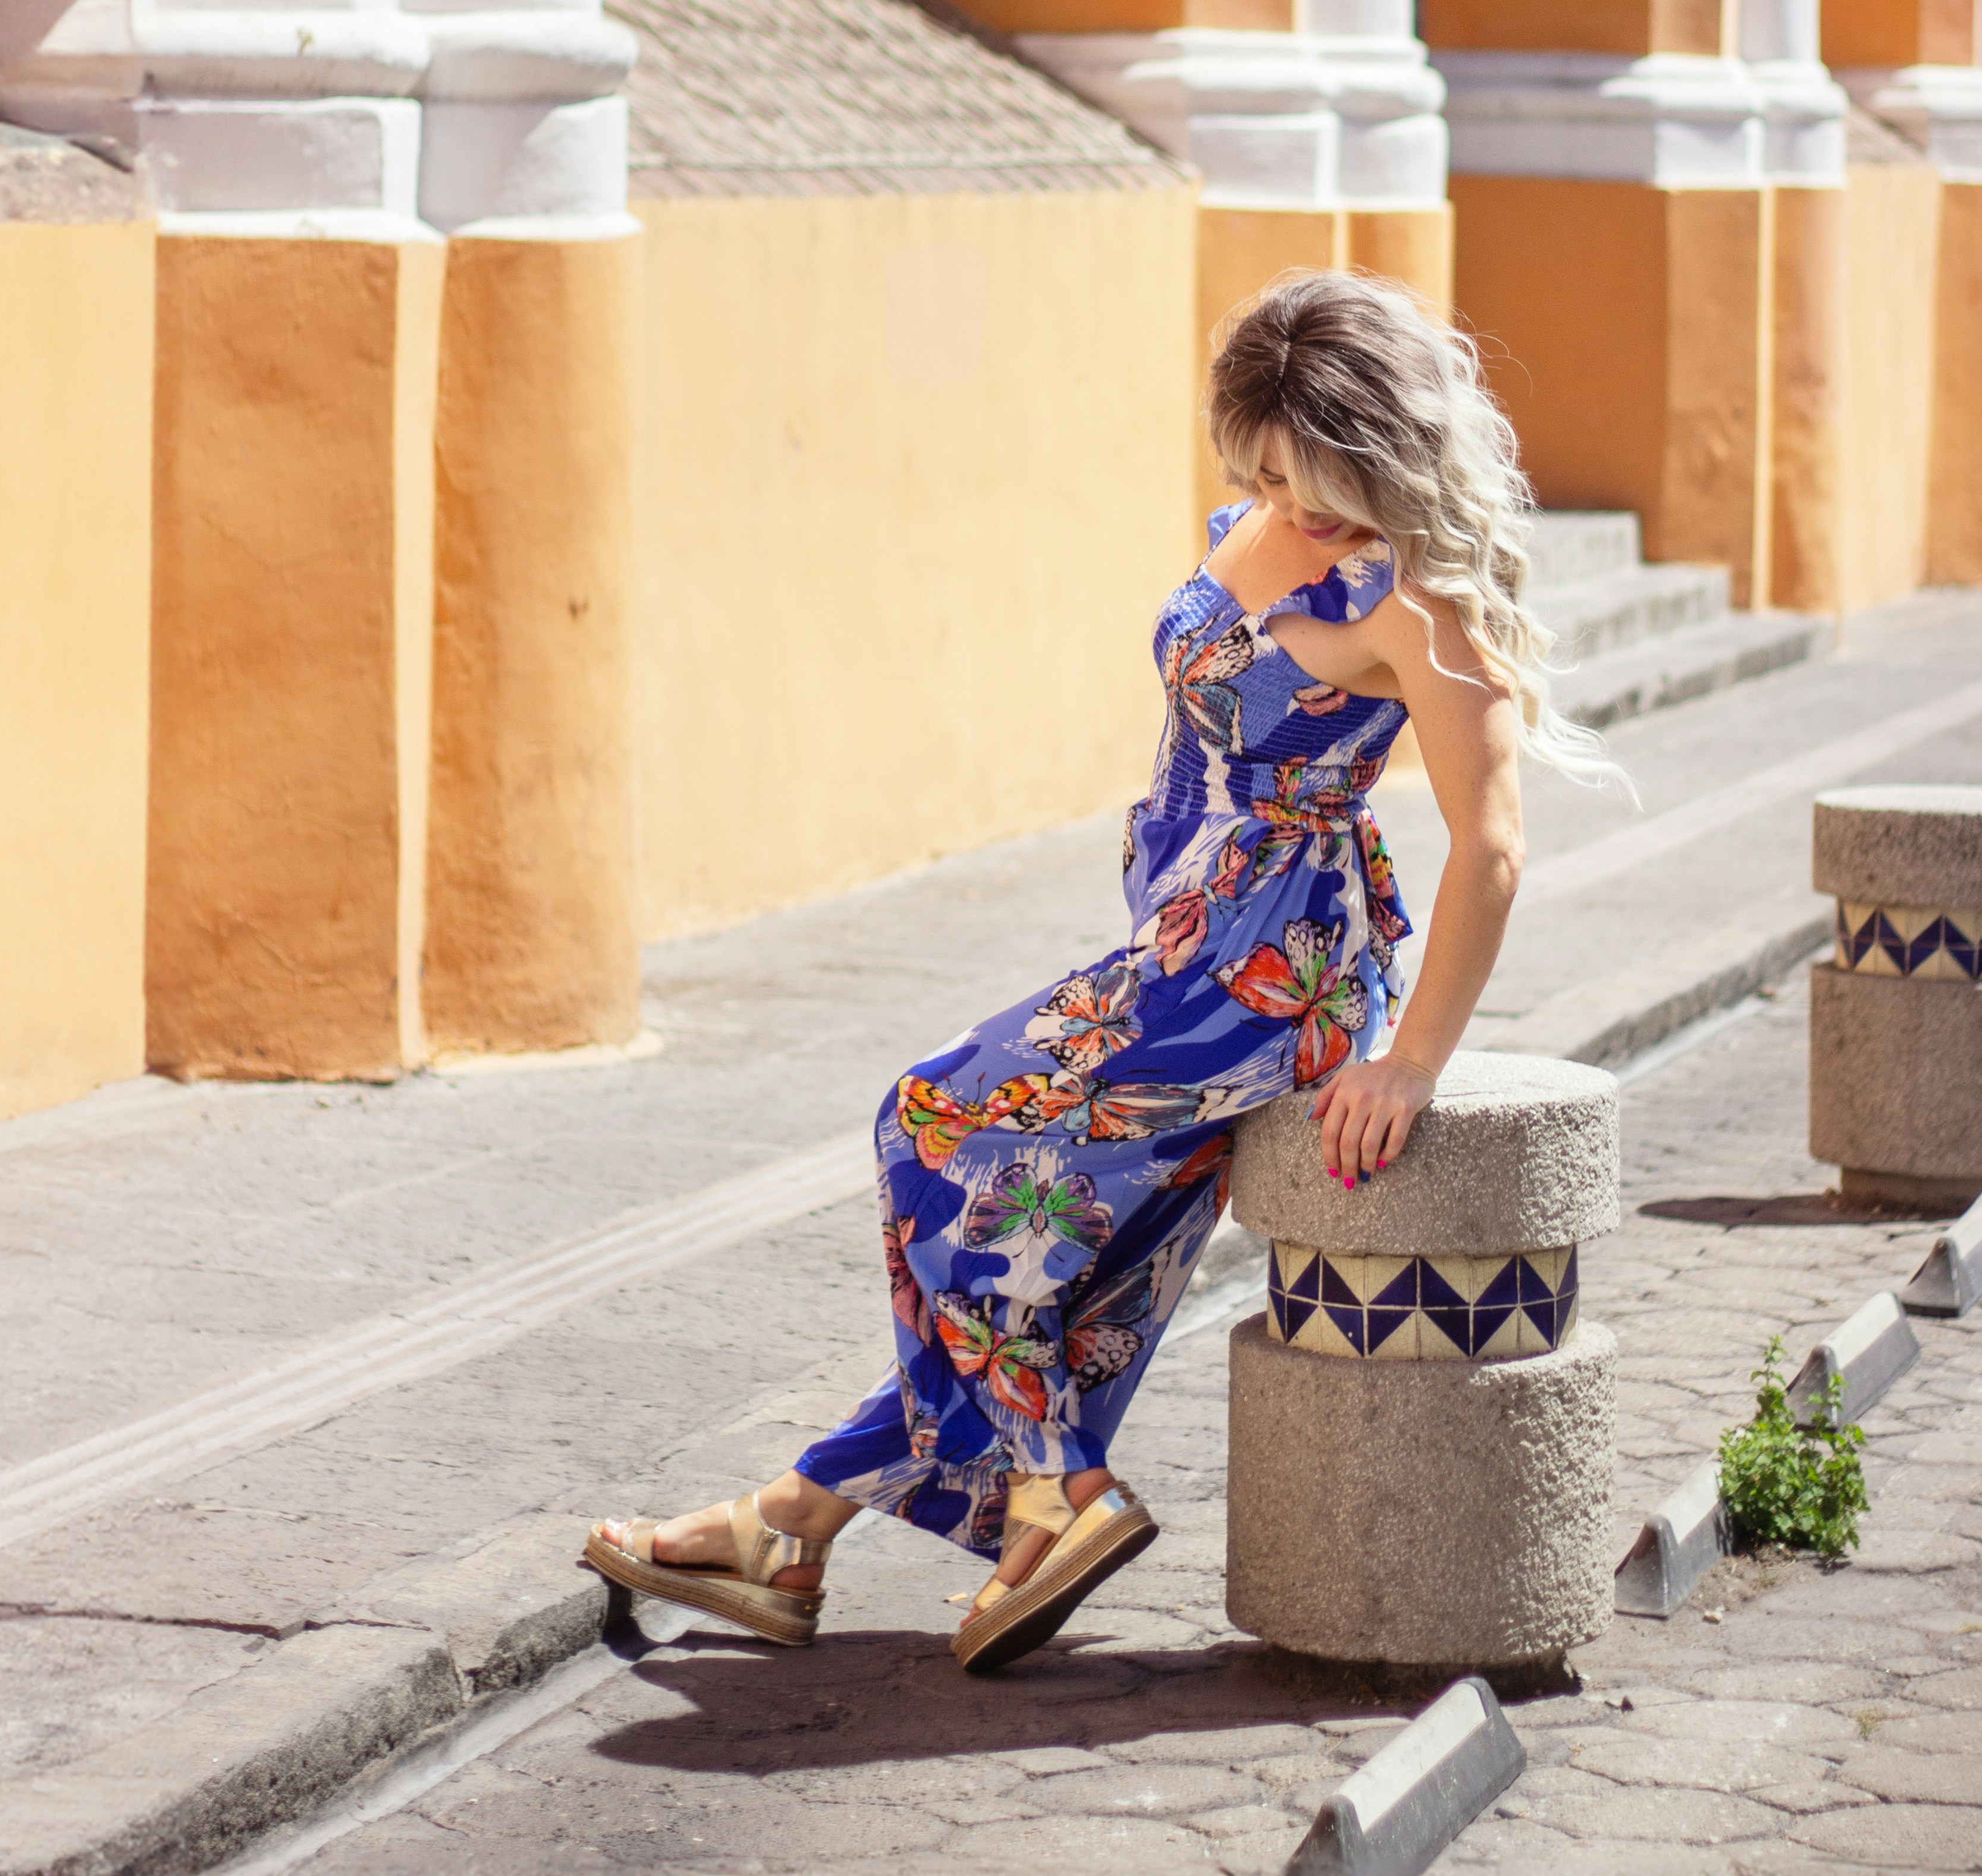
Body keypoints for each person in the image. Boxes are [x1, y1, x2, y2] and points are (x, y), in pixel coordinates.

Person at [584, 266, 1613, 1678]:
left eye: (1314, 480)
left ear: (1386, 453)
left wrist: (1410, 1055)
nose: (1283, 502)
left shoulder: (1423, 607)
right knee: (1060, 1257)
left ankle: (1059, 1490)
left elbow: (1488, 850)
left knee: (929, 1123)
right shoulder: (1267, 507)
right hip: (1182, 938)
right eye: (1259, 468)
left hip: (1268, 966)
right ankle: (791, 1527)